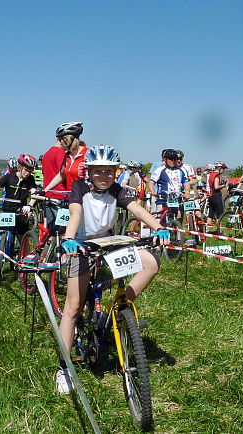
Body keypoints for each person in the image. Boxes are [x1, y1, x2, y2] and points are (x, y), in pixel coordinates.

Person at [55, 145, 170, 394]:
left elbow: (136, 209)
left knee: (151, 262)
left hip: (108, 244)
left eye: (109, 171)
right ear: (90, 172)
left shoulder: (116, 189)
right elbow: (75, 211)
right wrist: (69, 237)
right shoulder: (80, 188)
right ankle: (63, 367)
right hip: (81, 246)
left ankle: (119, 308)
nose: (104, 176)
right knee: (73, 307)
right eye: (99, 171)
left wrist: (158, 226)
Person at [0, 154, 38, 237]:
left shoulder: (30, 179)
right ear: (20, 167)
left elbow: (34, 193)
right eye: (26, 170)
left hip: (21, 210)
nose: (28, 173)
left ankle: (23, 249)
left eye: (30, 171)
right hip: (7, 209)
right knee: (2, 234)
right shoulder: (9, 177)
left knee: (22, 237)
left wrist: (29, 205)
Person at [41, 122, 83, 229]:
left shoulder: (86, 155)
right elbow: (61, 175)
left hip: (79, 200)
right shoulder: (66, 156)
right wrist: (46, 190)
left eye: (61, 140)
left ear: (67, 140)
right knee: (59, 231)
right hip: (65, 198)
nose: (60, 143)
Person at [205, 161, 228, 229]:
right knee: (219, 215)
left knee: (210, 214)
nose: (223, 170)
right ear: (219, 168)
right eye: (223, 168)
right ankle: (219, 232)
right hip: (216, 196)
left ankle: (207, 230)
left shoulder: (211, 174)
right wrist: (223, 185)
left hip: (211, 196)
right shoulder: (217, 175)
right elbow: (216, 187)